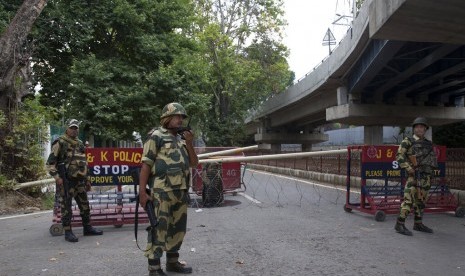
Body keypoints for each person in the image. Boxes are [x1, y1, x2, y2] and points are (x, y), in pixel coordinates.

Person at [138, 103, 199, 276]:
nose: (180, 120)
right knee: (160, 228)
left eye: (182, 117)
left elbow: (194, 163)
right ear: (166, 118)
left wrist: (189, 143)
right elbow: (146, 165)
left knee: (178, 228)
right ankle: (154, 267)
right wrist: (142, 192)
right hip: (162, 191)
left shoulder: (182, 139)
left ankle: (172, 262)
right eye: (177, 116)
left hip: (181, 190)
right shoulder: (156, 136)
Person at [46, 119, 103, 242]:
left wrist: (87, 180)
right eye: (72, 128)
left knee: (85, 206)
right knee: (66, 207)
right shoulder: (60, 142)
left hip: (80, 181)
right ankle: (68, 232)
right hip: (66, 181)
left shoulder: (80, 143)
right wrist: (57, 178)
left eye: (76, 128)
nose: (74, 130)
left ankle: (87, 228)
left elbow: (84, 162)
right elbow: (50, 164)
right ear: (67, 128)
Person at [394, 117, 438, 236]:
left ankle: (418, 224)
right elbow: (399, 155)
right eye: (417, 127)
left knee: (421, 202)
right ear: (414, 129)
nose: (420, 129)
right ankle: (399, 224)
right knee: (408, 200)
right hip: (414, 176)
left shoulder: (428, 144)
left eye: (422, 127)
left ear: (425, 129)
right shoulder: (408, 141)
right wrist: (409, 168)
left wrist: (432, 175)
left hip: (426, 177)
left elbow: (432, 160)